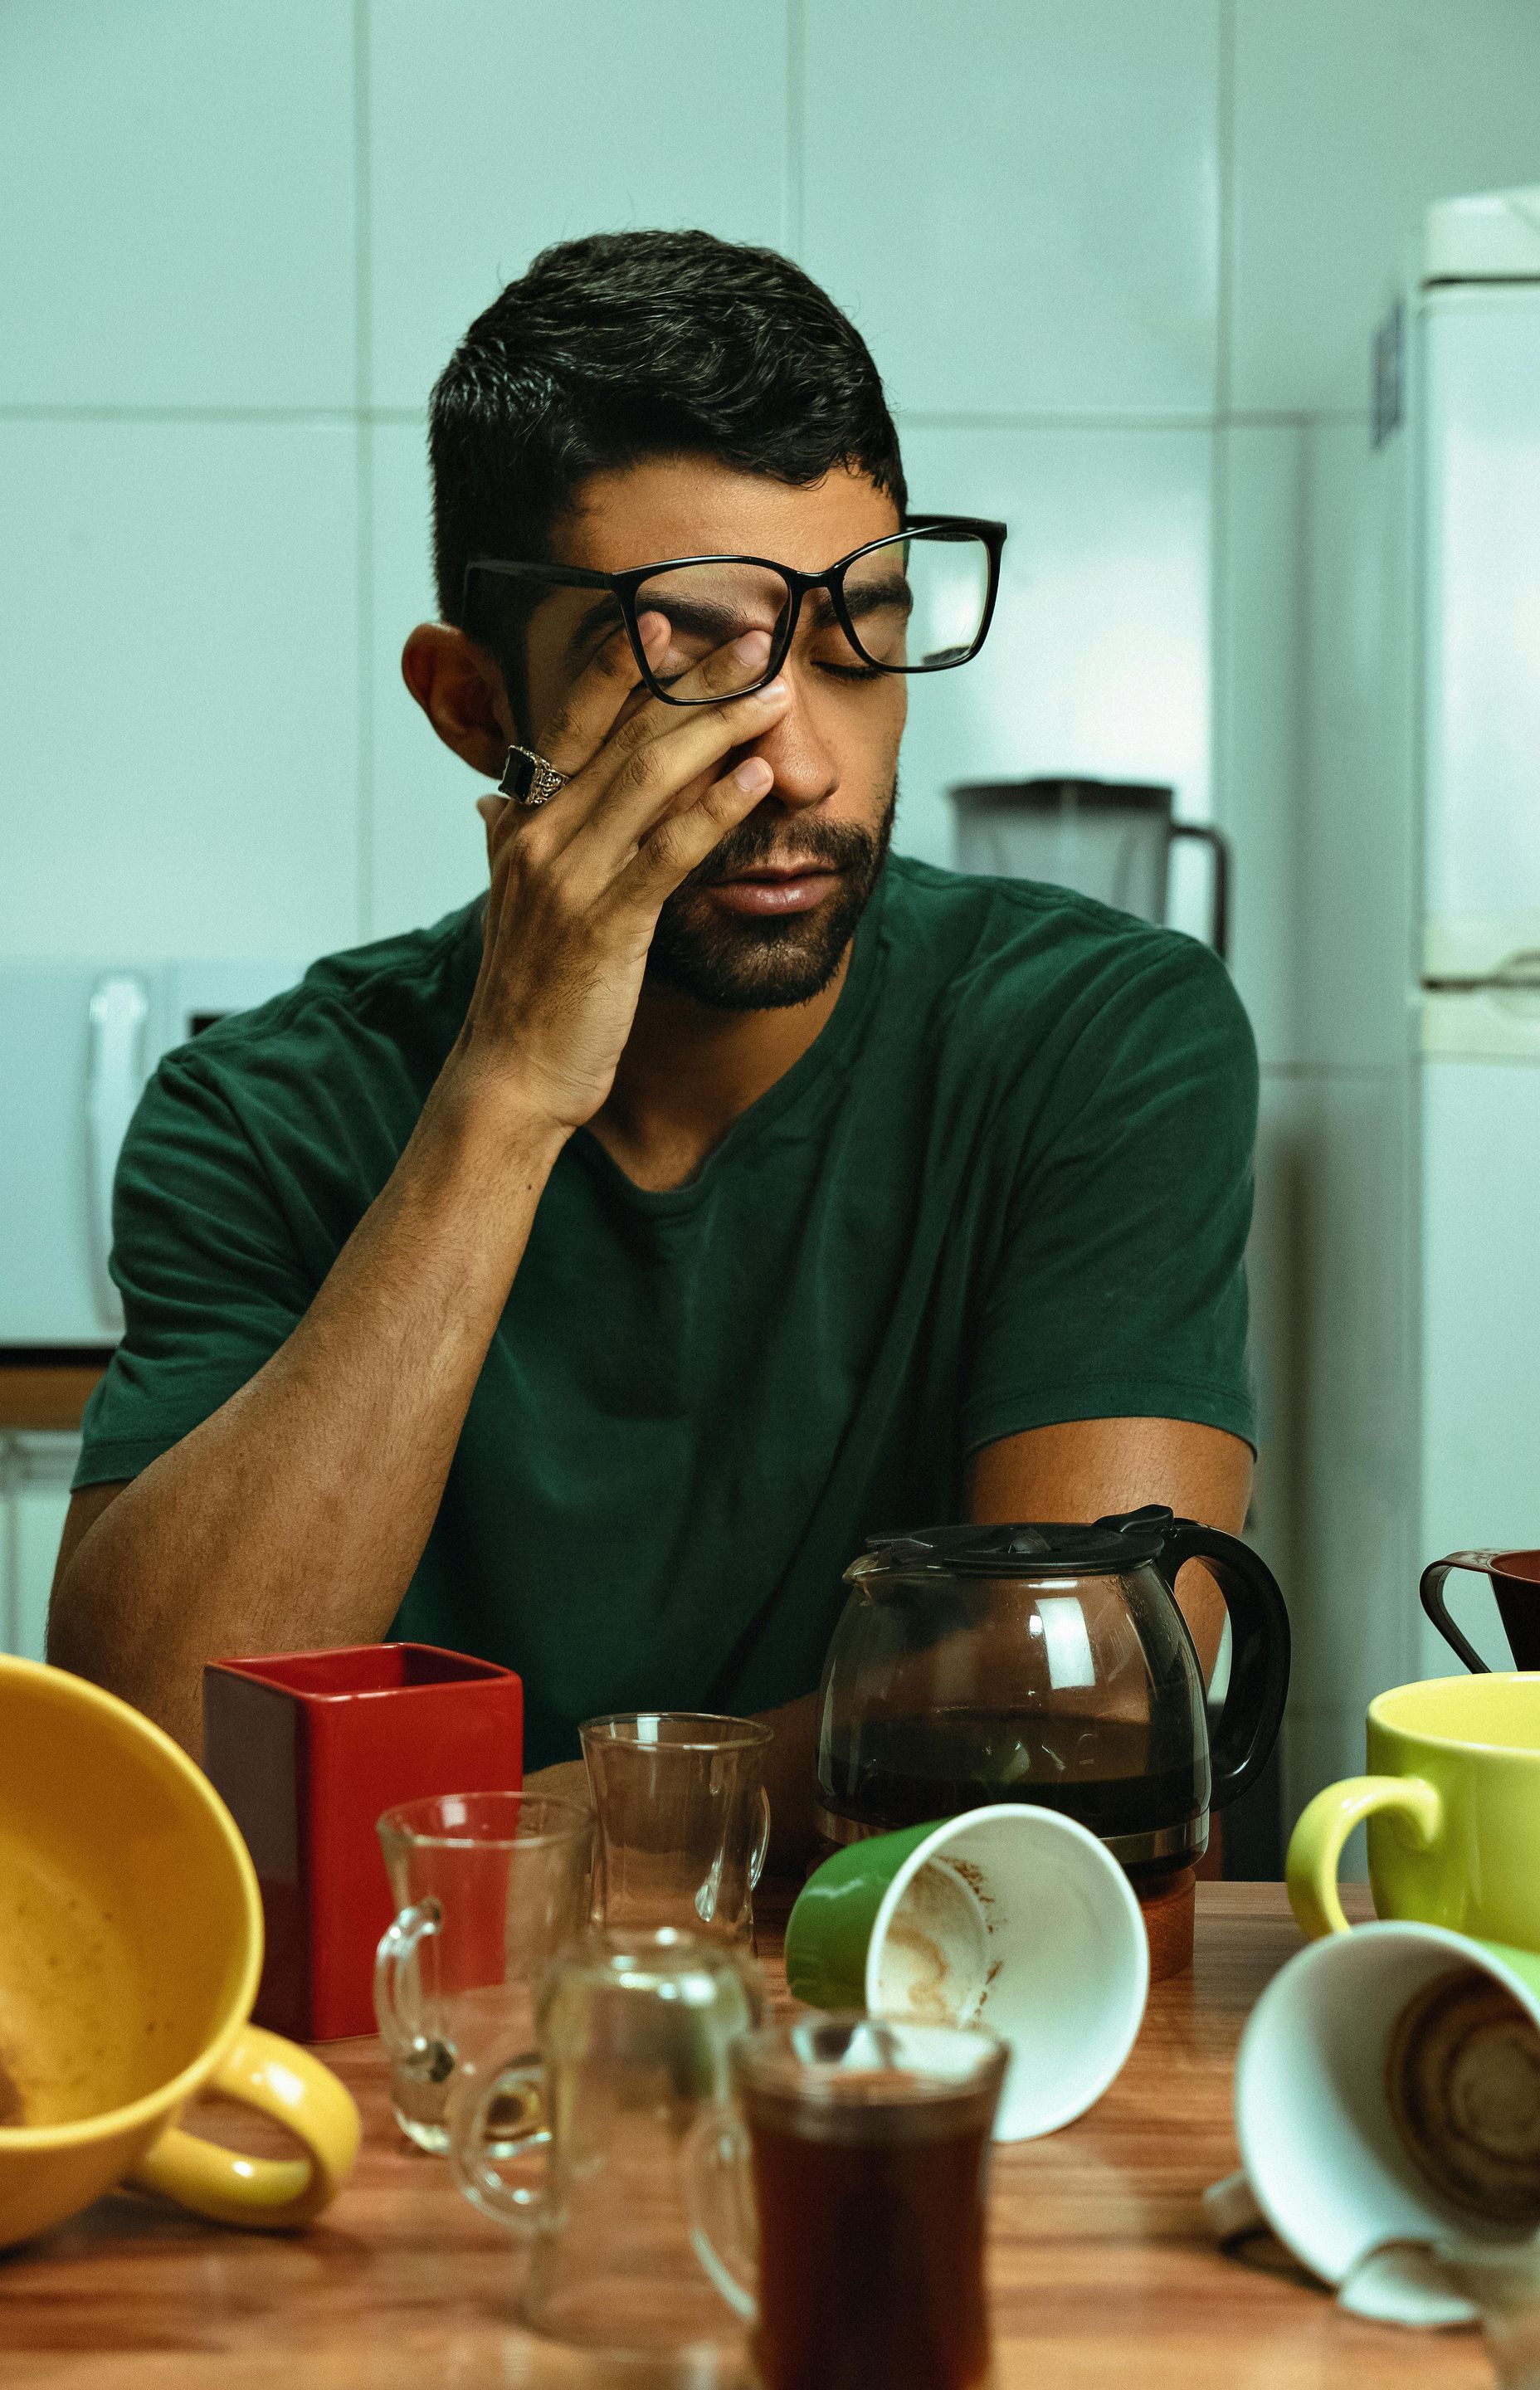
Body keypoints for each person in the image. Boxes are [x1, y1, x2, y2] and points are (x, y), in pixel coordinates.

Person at [47, 231, 1257, 1861]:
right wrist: (503, 1098)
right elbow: (153, 1767)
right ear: (476, 707)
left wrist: (532, 1836)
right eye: (683, 666)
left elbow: (1089, 1689)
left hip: (927, 1991)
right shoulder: (262, 1114)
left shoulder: (1095, 1036)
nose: (801, 764)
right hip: (421, 2015)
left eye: (860, 637)